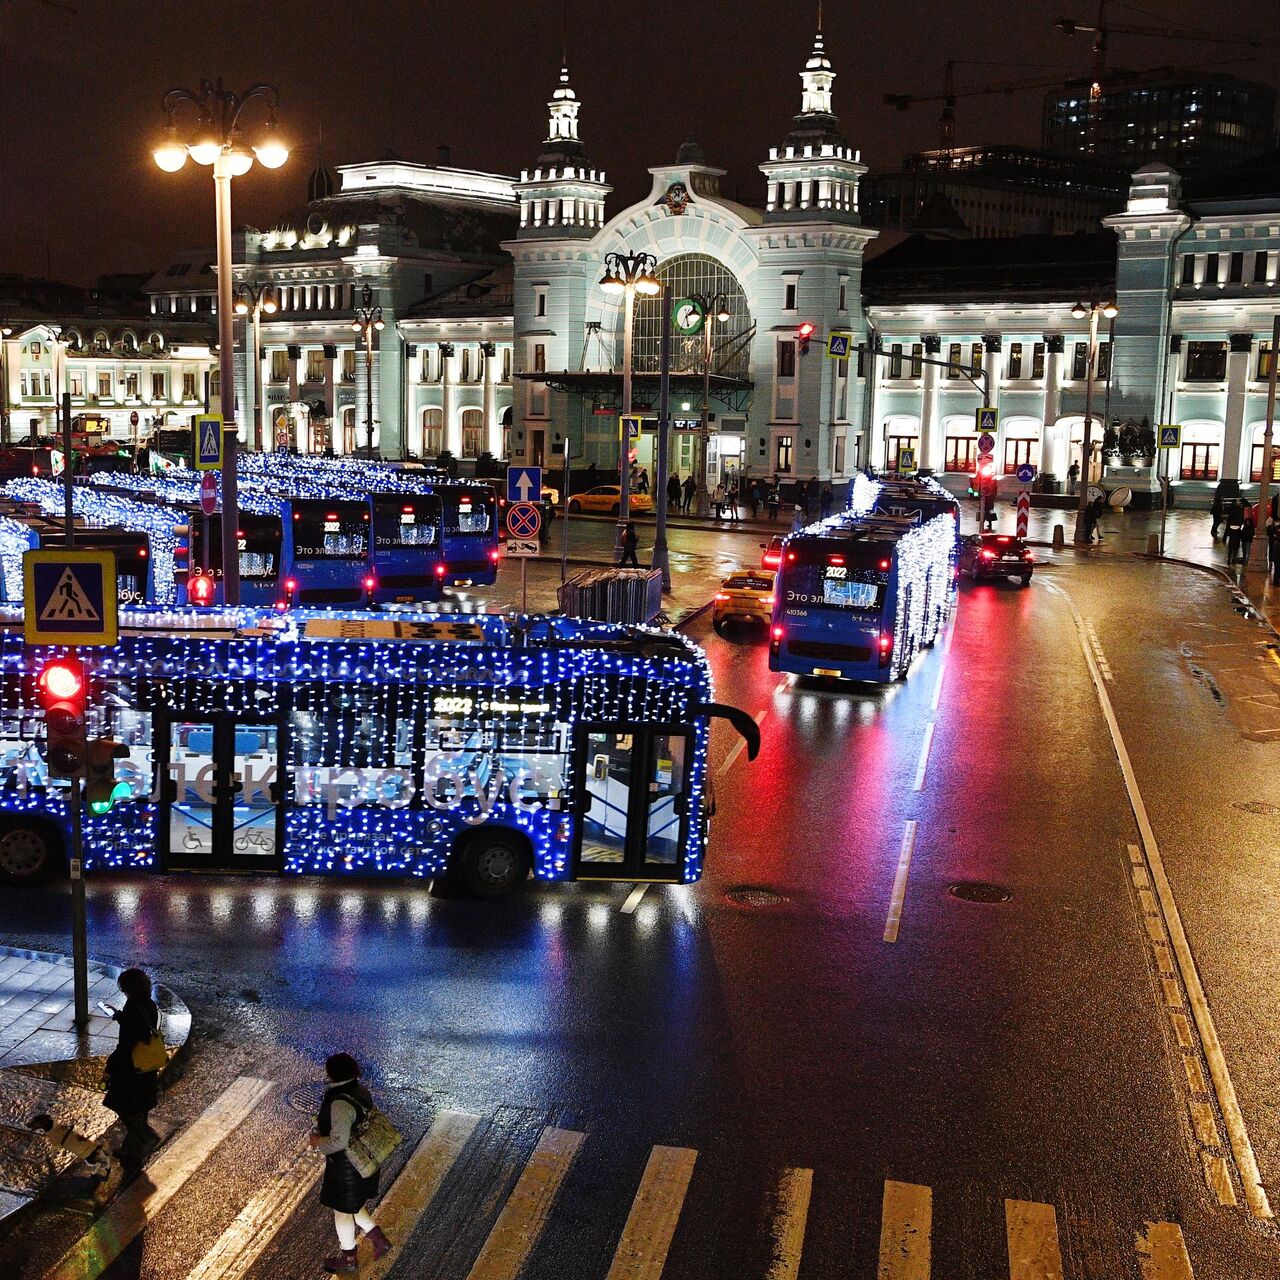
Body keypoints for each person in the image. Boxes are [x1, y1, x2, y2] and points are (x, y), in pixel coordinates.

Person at [309, 1053, 391, 1274]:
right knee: (352, 1204)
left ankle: (348, 1259)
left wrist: (318, 1142)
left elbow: (339, 1141)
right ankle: (377, 1238)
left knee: (342, 1211)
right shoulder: (359, 1090)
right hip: (362, 1161)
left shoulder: (340, 1103)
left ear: (333, 1074)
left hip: (347, 1167)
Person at [102, 968, 161, 1170]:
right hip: (146, 1065)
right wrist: (119, 1016)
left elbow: (126, 1044)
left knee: (123, 1105)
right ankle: (131, 1149)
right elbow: (140, 1026)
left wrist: (110, 1066)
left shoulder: (133, 1007)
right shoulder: (148, 1004)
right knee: (139, 1107)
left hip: (130, 1068)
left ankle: (146, 1135)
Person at [29, 1113, 111, 1183]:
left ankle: (101, 1164)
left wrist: (50, 1155)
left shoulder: (52, 1136)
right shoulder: (59, 1125)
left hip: (83, 1151)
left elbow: (56, 1147)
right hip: (88, 1144)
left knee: (90, 1161)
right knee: (94, 1152)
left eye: (35, 1124)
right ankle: (102, 1158)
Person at [1224, 499, 1246, 563]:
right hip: (1237, 535)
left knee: (1230, 548)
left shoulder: (1232, 510)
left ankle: (1229, 558)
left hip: (1232, 533)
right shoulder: (1239, 510)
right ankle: (1233, 558)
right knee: (1235, 548)